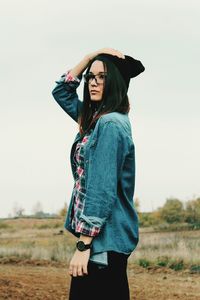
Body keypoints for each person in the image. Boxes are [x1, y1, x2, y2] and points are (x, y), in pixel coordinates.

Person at [51, 48, 145, 300]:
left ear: (115, 81)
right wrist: (90, 56)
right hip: (102, 240)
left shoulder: (109, 125)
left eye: (102, 77)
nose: (93, 82)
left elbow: (101, 189)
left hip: (102, 241)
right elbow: (61, 92)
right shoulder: (93, 120)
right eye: (91, 76)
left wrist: (84, 245)